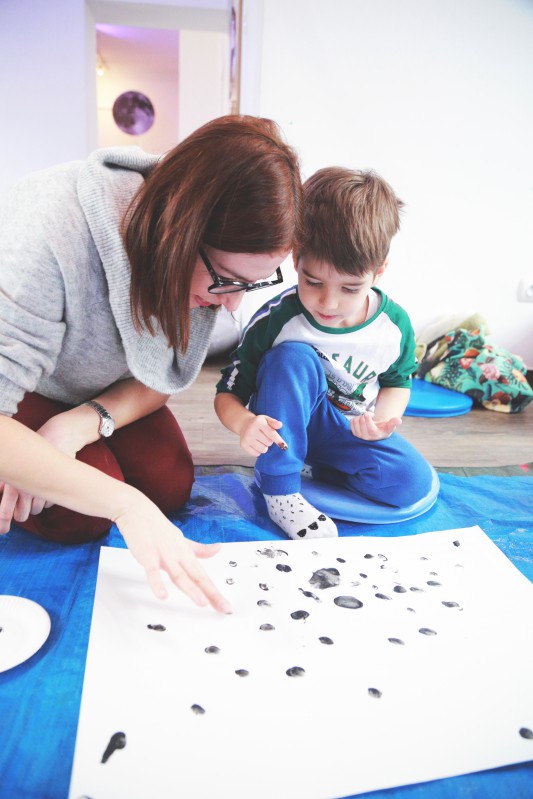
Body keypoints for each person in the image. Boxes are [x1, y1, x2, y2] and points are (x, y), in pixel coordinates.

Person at [0, 115, 302, 610]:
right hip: (20, 385)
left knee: (169, 484)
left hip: (89, 392)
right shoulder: (48, 233)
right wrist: (123, 505)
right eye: (226, 280)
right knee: (81, 514)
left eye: (250, 285)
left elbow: (163, 376)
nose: (230, 305)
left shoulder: (199, 269)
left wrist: (81, 423)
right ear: (180, 233)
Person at [215, 167, 434, 540]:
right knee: (292, 358)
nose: (328, 303)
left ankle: (330, 469)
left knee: (411, 482)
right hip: (290, 427)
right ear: (296, 258)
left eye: (351, 288)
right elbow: (227, 395)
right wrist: (244, 424)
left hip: (348, 431)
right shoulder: (276, 320)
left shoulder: (394, 326)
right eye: (312, 281)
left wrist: (382, 422)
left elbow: (397, 382)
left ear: (378, 272)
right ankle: (280, 488)